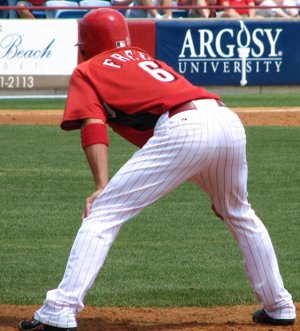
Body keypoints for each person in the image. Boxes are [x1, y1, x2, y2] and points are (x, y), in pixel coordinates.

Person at [18, 8, 296, 331]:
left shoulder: (88, 69)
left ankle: (60, 307)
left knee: (103, 212)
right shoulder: (140, 55)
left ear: (85, 45)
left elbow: (93, 124)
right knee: (237, 211)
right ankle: (279, 304)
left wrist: (100, 185)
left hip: (184, 128)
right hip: (225, 119)